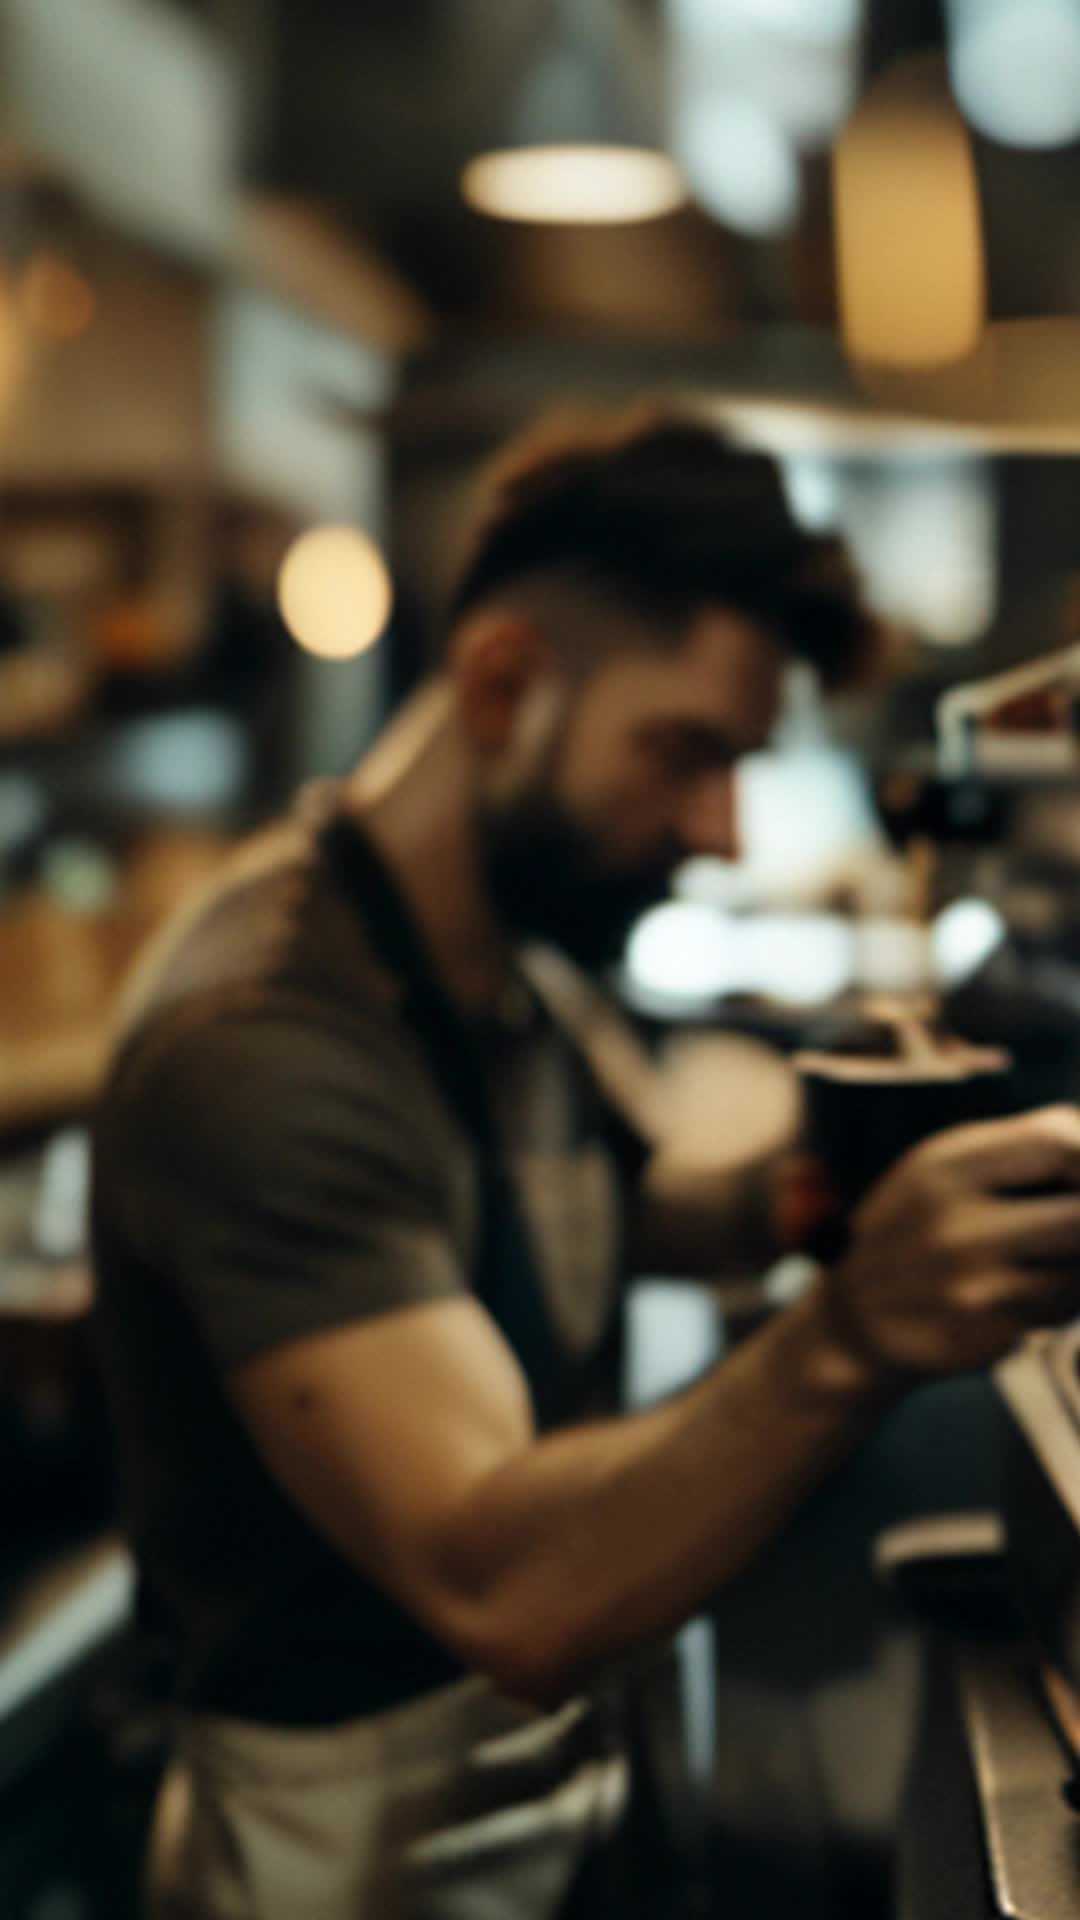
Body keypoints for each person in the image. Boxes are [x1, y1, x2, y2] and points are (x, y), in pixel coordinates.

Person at [91, 410, 1080, 1920]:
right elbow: (505, 1586)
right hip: (335, 1869)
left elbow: (579, 1222)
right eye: (684, 754)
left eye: (743, 766)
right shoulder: (267, 1045)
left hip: (564, 1817)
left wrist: (799, 1197)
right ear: (504, 682)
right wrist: (860, 1325)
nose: (719, 826)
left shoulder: (511, 964)